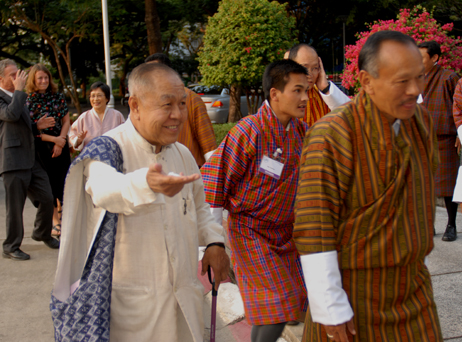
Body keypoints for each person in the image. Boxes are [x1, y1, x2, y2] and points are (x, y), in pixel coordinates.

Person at [52, 62, 230, 341]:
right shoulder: (108, 150)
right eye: (167, 105)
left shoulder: (182, 154)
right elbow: (105, 189)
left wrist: (214, 242)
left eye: (182, 104)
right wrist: (143, 183)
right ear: (134, 105)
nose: (178, 115)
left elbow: (199, 208)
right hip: (134, 318)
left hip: (185, 307)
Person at [294, 31, 442, 342]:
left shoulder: (422, 123)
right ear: (366, 81)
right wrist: (331, 308)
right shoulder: (332, 135)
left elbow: (420, 204)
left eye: (420, 78)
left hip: (413, 289)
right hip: (354, 296)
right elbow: (314, 227)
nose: (415, 91)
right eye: (402, 81)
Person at [201, 59, 309, 342]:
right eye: (297, 91)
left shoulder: (301, 131)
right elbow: (216, 184)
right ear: (275, 94)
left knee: (286, 304)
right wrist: (214, 243)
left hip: (287, 233)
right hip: (251, 232)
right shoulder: (248, 131)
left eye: (306, 90)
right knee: (278, 301)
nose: (305, 98)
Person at [0, 59, 59, 261]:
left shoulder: (19, 97)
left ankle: (42, 233)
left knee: (47, 197)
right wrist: (19, 91)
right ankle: (10, 246)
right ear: (0, 79)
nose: (18, 77)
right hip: (12, 161)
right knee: (15, 208)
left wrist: (37, 125)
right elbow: (11, 115)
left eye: (17, 73)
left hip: (30, 159)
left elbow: (19, 124)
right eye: (12, 75)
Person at [418, 40, 460, 242]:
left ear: (435, 58)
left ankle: (451, 224)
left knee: (448, 185)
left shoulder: (449, 77)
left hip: (446, 138)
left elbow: (459, 107)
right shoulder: (416, 78)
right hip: (421, 139)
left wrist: (461, 133)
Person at [145, 53, 217, 167]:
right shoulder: (147, 101)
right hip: (159, 172)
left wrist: (212, 177)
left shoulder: (191, 99)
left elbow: (208, 145)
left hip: (189, 172)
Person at [26, 63, 71, 237]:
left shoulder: (57, 96)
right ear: (34, 80)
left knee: (64, 183)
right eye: (40, 78)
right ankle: (55, 222)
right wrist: (54, 140)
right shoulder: (28, 101)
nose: (44, 81)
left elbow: (66, 121)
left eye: (46, 78)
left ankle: (66, 218)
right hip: (42, 147)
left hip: (61, 142)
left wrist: (61, 142)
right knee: (49, 185)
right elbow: (32, 130)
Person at [286, 44, 350, 127]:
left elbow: (353, 118)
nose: (310, 74)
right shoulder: (281, 96)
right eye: (304, 68)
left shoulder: (325, 94)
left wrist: (325, 88)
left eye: (315, 68)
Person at [69, 82, 125, 151]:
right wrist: (78, 140)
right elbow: (72, 133)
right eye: (93, 96)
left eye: (99, 95)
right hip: (91, 158)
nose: (95, 99)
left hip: (112, 157)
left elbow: (125, 136)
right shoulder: (84, 117)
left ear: (107, 98)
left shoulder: (117, 116)